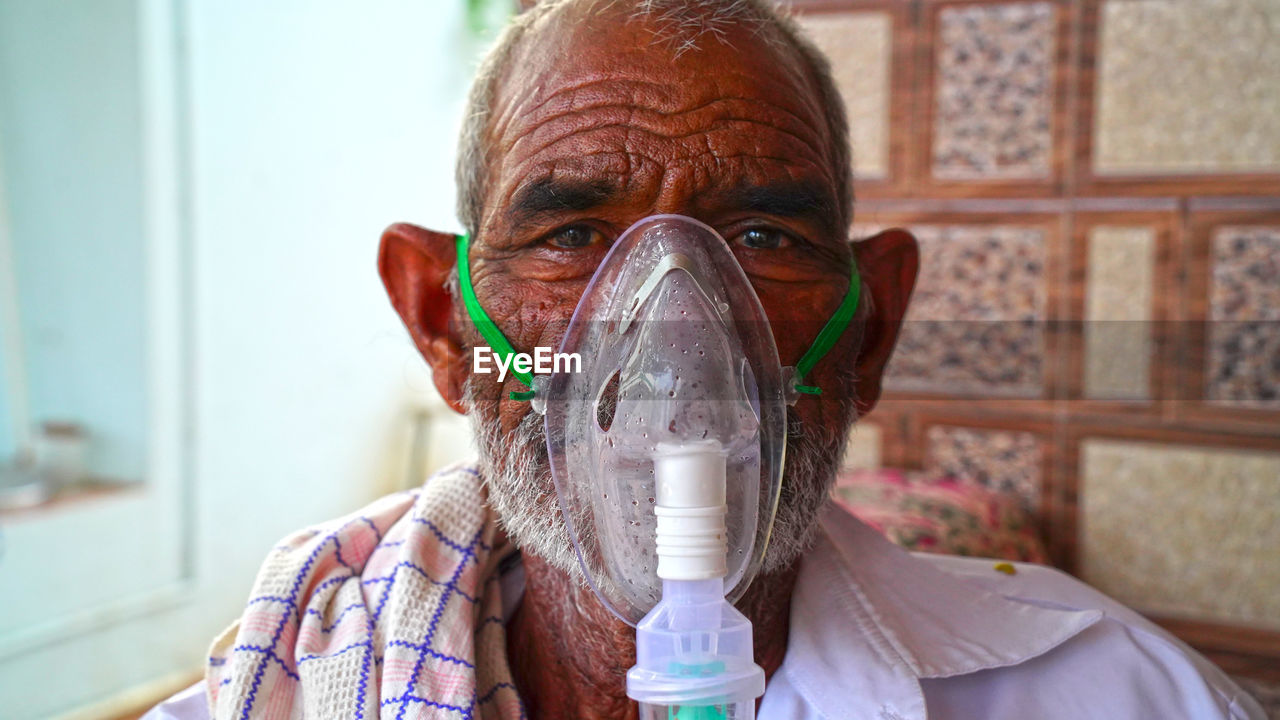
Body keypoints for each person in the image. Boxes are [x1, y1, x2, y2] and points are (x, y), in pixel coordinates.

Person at [146, 1, 1264, 718]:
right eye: (571, 233)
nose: (676, 338)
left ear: (867, 326)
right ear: (446, 324)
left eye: (763, 237)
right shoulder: (279, 689)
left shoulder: (1117, 695)